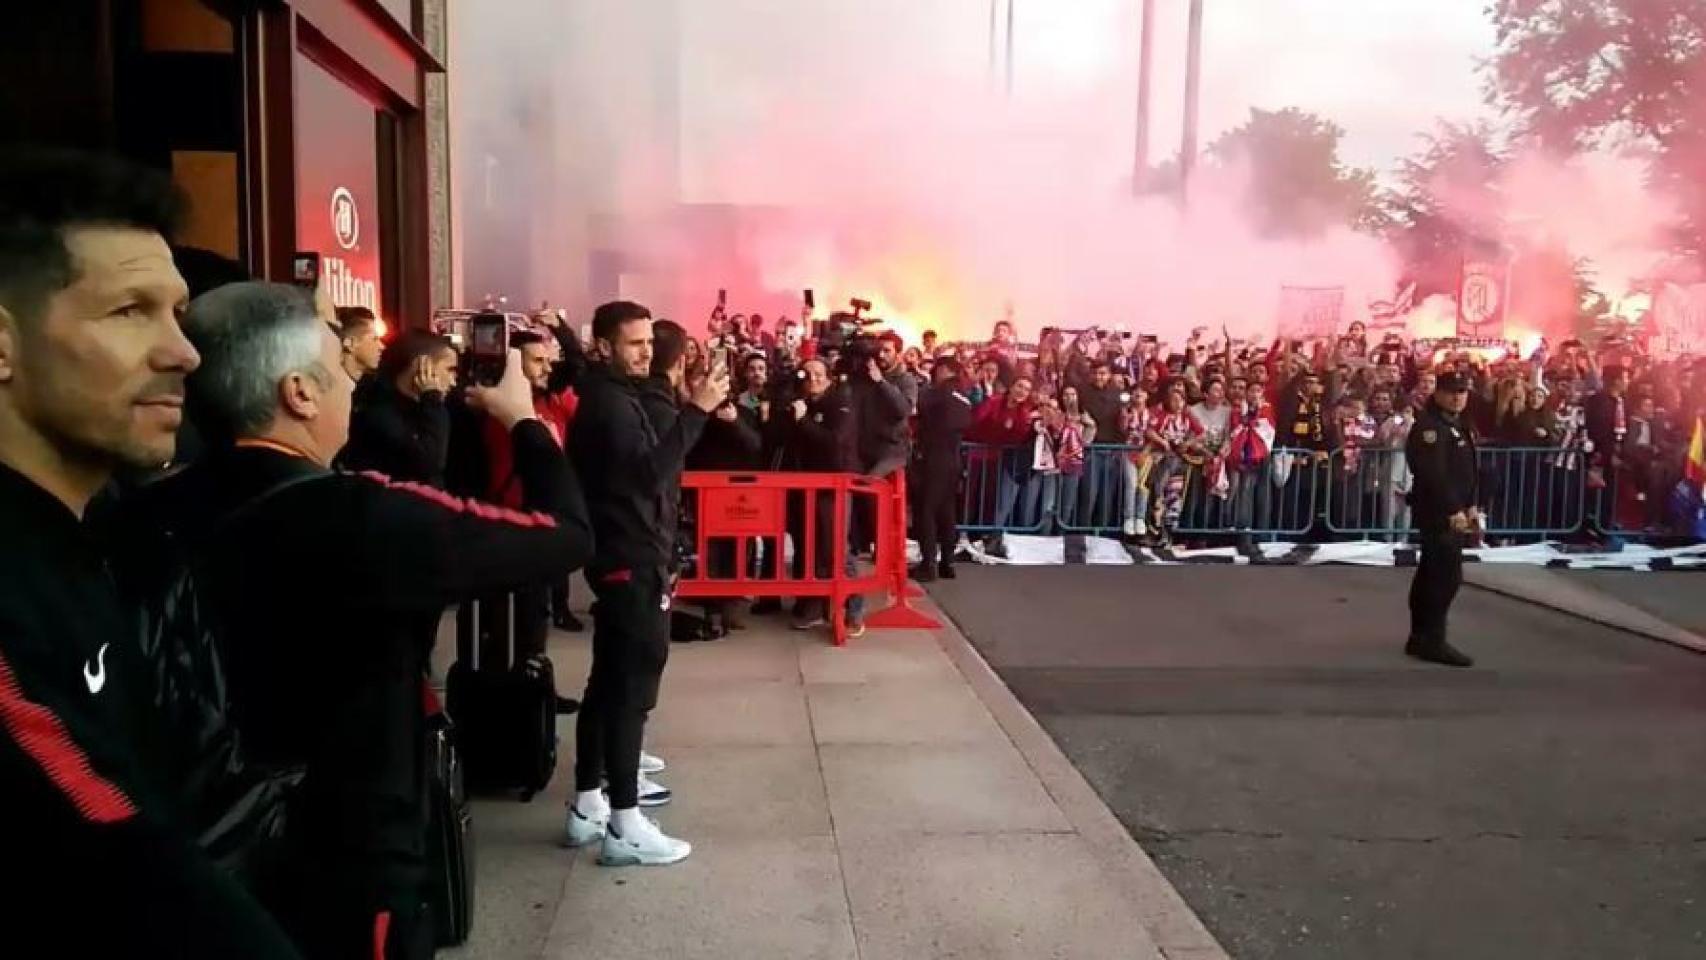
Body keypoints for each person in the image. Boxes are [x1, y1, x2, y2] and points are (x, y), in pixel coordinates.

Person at [142, 281, 591, 958]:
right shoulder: (362, 519)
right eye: (345, 369)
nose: (356, 386)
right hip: (348, 865)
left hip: (191, 860)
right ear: (299, 393)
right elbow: (563, 534)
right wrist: (524, 420)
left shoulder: (145, 513)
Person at [0, 146, 304, 958]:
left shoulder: (106, 539)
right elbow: (121, 850)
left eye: (177, 311)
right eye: (129, 311)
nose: (183, 351)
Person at [565, 300, 727, 867]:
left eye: (646, 342)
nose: (646, 352)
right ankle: (625, 824)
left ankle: (589, 805)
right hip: (630, 557)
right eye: (635, 343)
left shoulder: (611, 396)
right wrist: (698, 411)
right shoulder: (608, 405)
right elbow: (647, 475)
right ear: (604, 345)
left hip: (625, 554)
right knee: (628, 688)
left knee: (608, 683)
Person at [1404, 371, 1480, 668]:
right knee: (1443, 576)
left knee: (1432, 572)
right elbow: (1433, 474)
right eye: (1451, 391)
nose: (1457, 397)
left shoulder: (1458, 424)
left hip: (1456, 510)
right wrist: (1453, 509)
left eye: (1462, 391)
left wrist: (1471, 504)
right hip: (1438, 512)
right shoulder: (1430, 427)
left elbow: (1467, 468)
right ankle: (1432, 639)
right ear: (1438, 393)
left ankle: (1421, 636)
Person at [337, 328, 457, 487]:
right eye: (449, 370)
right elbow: (429, 463)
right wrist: (432, 398)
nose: (453, 382)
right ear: (422, 366)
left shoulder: (422, 406)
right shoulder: (378, 412)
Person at [912, 358, 974, 581]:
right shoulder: (965, 398)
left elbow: (921, 408)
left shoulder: (937, 394)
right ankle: (948, 562)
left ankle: (928, 564)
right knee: (948, 512)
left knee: (927, 511)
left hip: (933, 457)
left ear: (944, 371)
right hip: (953, 458)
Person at [333, 305, 383, 391]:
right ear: (350, 343)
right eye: (374, 339)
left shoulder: (372, 391)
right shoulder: (332, 392)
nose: (382, 346)